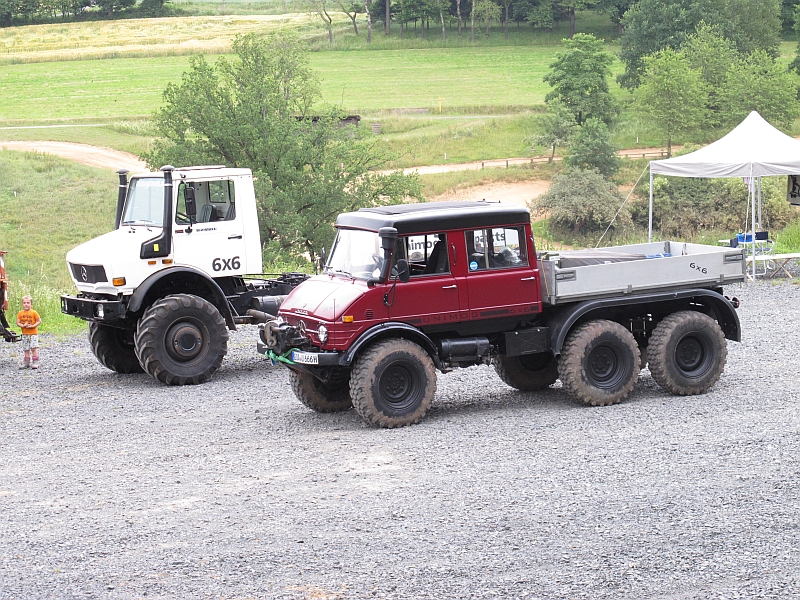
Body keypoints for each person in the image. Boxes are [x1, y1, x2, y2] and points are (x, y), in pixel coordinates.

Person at [16, 295, 41, 370]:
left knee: (33, 347)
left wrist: (33, 326)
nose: (26, 304)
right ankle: (26, 362)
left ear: (31, 304)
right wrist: (23, 325)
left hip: (33, 333)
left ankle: (35, 361)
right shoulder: (20, 313)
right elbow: (18, 322)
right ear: (22, 304)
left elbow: (39, 321)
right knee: (26, 348)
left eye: (28, 303)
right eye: (24, 303)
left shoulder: (34, 313)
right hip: (25, 334)